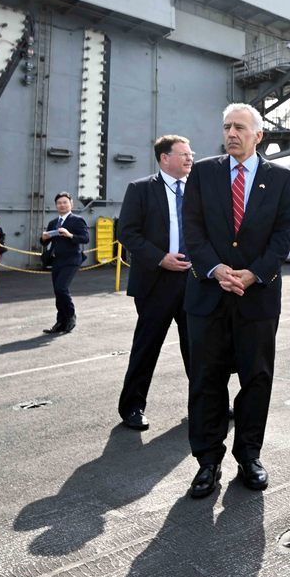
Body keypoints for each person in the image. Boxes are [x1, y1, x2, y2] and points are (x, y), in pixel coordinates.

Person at [182, 103, 290, 499]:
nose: (231, 133)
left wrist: (255, 272)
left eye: (240, 128)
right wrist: (215, 269)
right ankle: (207, 462)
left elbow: (284, 234)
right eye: (226, 126)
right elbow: (192, 231)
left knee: (256, 379)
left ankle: (249, 455)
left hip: (257, 296)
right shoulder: (202, 173)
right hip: (208, 294)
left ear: (258, 135)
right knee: (205, 380)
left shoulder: (283, 179)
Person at [115, 135, 196, 431]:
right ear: (165, 158)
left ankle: (205, 403)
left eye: (191, 153)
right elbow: (127, 232)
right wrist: (161, 258)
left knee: (198, 347)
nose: (190, 158)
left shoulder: (197, 189)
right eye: (184, 154)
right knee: (147, 346)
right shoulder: (140, 189)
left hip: (193, 280)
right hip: (156, 281)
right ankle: (132, 407)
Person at [41, 193, 89, 334]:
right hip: (57, 260)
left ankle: (70, 317)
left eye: (65, 202)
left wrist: (70, 235)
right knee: (57, 291)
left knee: (62, 288)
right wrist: (43, 238)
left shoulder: (77, 220)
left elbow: (85, 238)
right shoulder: (53, 222)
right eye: (59, 203)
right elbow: (45, 242)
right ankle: (60, 321)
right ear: (56, 205)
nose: (62, 205)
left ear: (71, 204)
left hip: (71, 260)